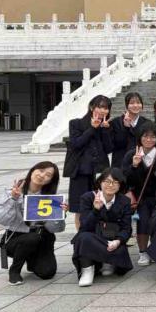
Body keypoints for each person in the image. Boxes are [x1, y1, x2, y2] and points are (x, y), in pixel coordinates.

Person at [0, 162, 65, 285]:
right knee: (31, 238)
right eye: (41, 170)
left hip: (41, 238)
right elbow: (1, 219)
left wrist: (60, 214)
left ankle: (31, 261)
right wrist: (13, 199)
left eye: (48, 175)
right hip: (16, 238)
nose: (42, 175)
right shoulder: (12, 191)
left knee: (47, 273)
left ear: (50, 181)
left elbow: (56, 229)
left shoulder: (50, 198)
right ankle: (14, 271)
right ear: (33, 170)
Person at [121, 122, 156, 266]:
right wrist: (134, 165)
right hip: (138, 197)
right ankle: (143, 252)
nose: (149, 139)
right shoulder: (131, 154)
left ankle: (155, 250)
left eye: (152, 137)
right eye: (145, 136)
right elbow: (124, 178)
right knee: (142, 222)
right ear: (140, 138)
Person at [72, 168, 133, 286]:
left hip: (112, 241)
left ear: (120, 185)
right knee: (83, 237)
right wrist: (96, 210)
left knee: (119, 252)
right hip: (94, 238)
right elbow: (84, 225)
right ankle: (87, 270)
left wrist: (118, 241)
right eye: (107, 181)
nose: (111, 185)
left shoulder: (124, 201)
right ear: (100, 182)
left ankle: (107, 262)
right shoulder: (88, 197)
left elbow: (127, 228)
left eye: (115, 182)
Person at [64, 95, 114, 228]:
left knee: (102, 205)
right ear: (92, 107)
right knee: (81, 208)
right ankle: (81, 236)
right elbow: (76, 144)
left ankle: (99, 235)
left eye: (106, 108)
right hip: (81, 172)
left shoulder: (107, 125)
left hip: (100, 173)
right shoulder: (76, 123)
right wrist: (92, 128)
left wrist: (104, 130)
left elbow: (109, 149)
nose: (103, 111)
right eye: (100, 107)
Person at [110, 92, 149, 168]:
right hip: (120, 163)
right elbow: (116, 144)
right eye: (132, 103)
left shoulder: (147, 123)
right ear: (126, 106)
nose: (135, 105)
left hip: (140, 164)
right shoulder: (116, 122)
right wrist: (126, 127)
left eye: (138, 103)